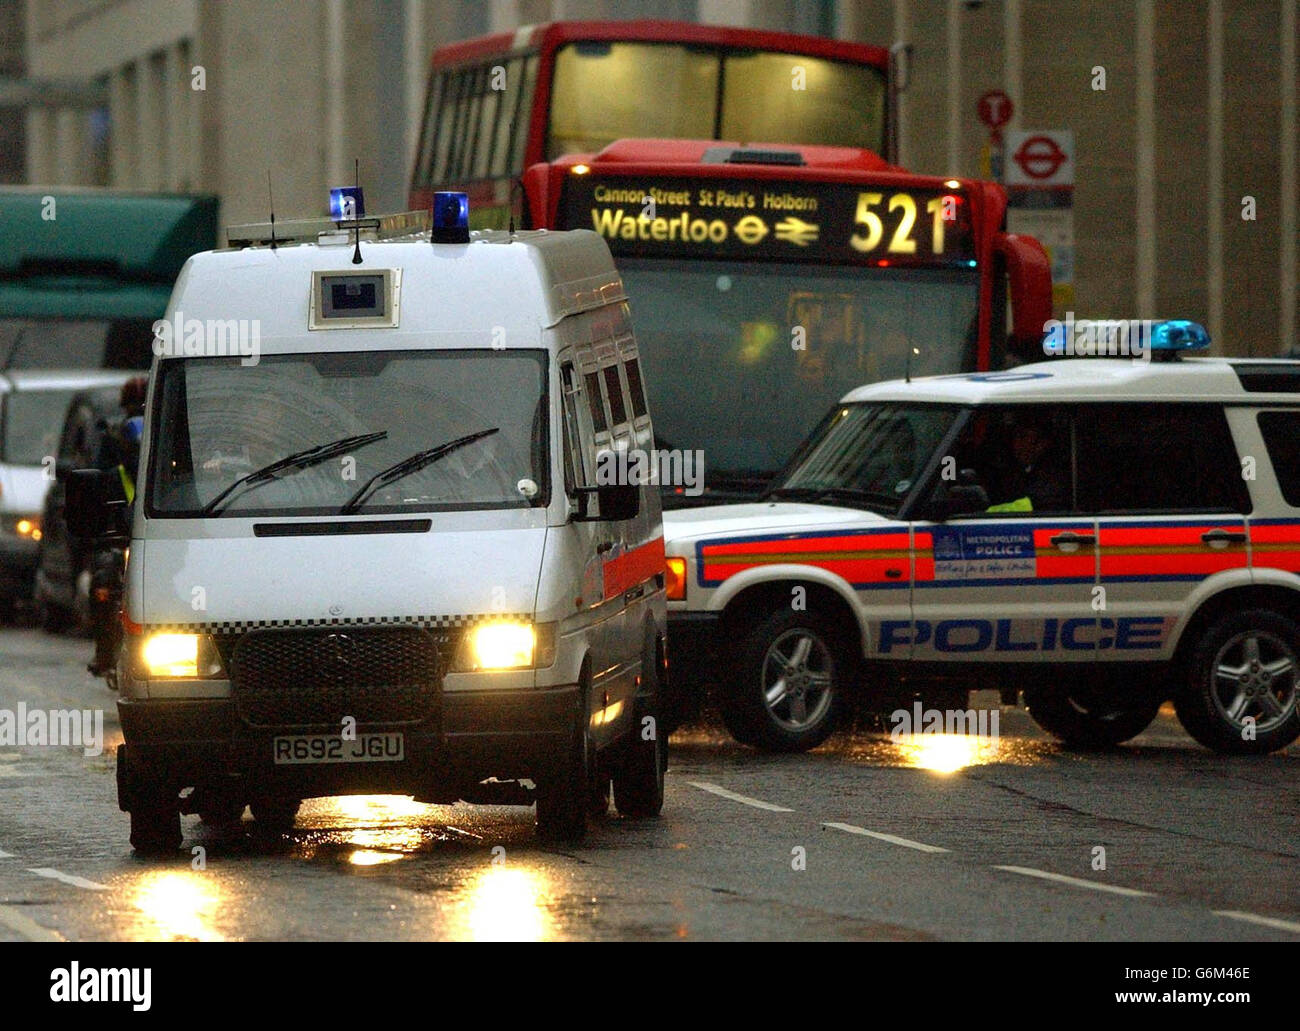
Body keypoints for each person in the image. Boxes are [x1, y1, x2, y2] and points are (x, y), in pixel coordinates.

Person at [88, 377, 146, 679]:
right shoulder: (112, 440)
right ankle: (104, 652)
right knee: (103, 580)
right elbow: (96, 484)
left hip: (155, 533)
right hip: (121, 532)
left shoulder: (168, 435)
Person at [987, 415, 1069, 513]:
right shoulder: (1012, 469)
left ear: (1041, 444)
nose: (1016, 443)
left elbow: (1037, 503)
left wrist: (988, 512)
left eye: (1022, 436)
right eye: (1016, 437)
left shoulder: (1052, 476)